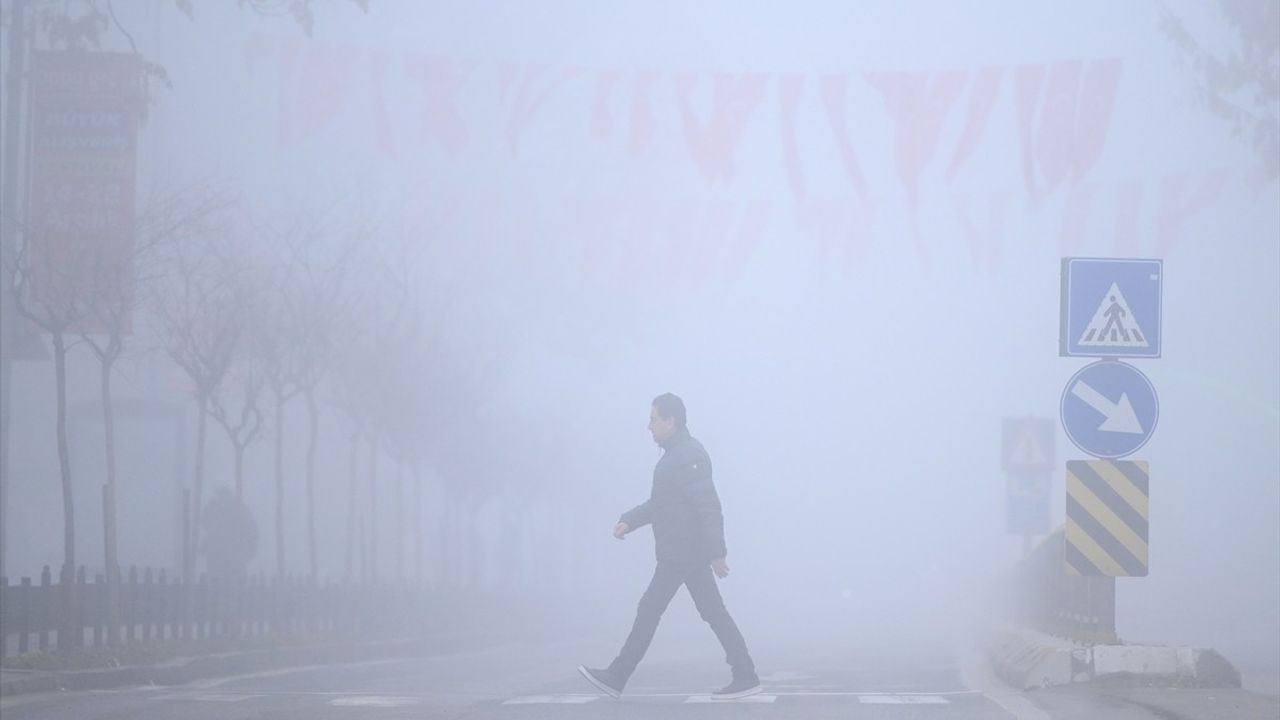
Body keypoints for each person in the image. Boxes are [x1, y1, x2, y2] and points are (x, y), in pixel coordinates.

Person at [578, 393, 760, 700]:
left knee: (650, 608)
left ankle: (617, 675)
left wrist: (717, 553)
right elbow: (661, 504)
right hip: (684, 552)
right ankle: (745, 674)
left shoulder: (688, 455)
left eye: (653, 419)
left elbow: (709, 506)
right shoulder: (676, 456)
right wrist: (630, 521)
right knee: (713, 613)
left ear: (670, 421)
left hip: (682, 553)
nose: (649, 427)